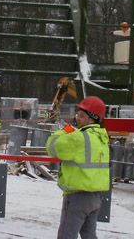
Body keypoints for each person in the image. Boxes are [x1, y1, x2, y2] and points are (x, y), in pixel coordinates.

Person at [46, 96, 110, 239]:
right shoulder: (102, 138)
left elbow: (52, 147)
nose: (77, 118)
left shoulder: (79, 137)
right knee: (89, 235)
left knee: (66, 235)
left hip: (78, 198)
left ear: (92, 118)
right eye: (77, 114)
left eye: (81, 115)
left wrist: (66, 130)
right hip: (95, 197)